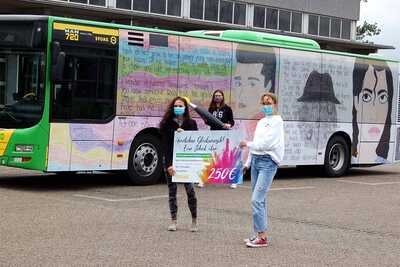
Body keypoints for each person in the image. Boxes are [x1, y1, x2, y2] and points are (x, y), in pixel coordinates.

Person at [239, 92, 284, 248]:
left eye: (269, 102)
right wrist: (247, 163)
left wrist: (247, 144)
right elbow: (257, 144)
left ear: (275, 104)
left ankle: (262, 238)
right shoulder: (261, 121)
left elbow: (267, 144)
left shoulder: (277, 121)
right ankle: (258, 233)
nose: (266, 106)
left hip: (268, 163)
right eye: (264, 103)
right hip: (257, 161)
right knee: (260, 200)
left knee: (256, 200)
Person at [159, 96, 198, 232]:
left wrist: (185, 133)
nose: (178, 108)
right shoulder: (166, 124)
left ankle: (194, 220)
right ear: (172, 107)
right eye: (176, 105)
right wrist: (169, 164)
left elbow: (196, 142)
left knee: (190, 191)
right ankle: (173, 220)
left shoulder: (192, 123)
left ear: (185, 108)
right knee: (172, 191)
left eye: (181, 106)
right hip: (171, 161)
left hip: (186, 161)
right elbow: (165, 146)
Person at [198, 89, 237, 188]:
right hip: (213, 136)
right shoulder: (211, 108)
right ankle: (203, 179)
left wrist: (229, 125)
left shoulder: (227, 108)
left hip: (224, 135)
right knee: (210, 157)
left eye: (219, 95)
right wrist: (205, 120)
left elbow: (232, 122)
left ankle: (233, 180)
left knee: (227, 157)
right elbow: (209, 122)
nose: (217, 97)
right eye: (216, 95)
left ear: (223, 97)